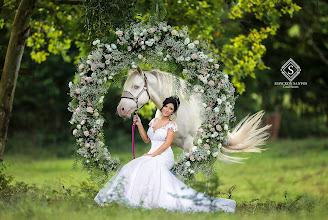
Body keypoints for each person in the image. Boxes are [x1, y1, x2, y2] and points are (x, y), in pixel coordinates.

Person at [94, 96, 236, 213]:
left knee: (147, 164)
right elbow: (146, 139)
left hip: (164, 155)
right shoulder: (153, 121)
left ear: (173, 111)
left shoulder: (171, 125)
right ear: (162, 107)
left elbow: (167, 144)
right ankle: (129, 198)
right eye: (166, 106)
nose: (167, 110)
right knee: (133, 166)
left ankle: (152, 200)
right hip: (152, 152)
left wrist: (151, 155)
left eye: (171, 109)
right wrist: (139, 125)